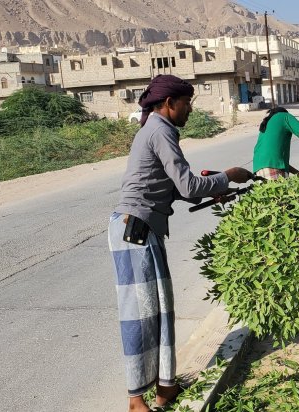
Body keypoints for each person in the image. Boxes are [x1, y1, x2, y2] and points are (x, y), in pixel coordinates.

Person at [107, 75, 252, 412]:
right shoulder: (160, 130)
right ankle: (135, 399)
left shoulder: (158, 130)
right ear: (170, 104)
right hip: (134, 229)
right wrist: (228, 175)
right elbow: (187, 185)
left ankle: (165, 386)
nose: (189, 109)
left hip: (143, 228)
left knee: (159, 309)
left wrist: (214, 188)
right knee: (140, 315)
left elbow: (178, 189)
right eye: (187, 103)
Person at [252, 107, 299, 180]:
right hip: (272, 169)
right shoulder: (284, 115)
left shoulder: (267, 123)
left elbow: (278, 163)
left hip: (258, 169)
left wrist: (297, 172)